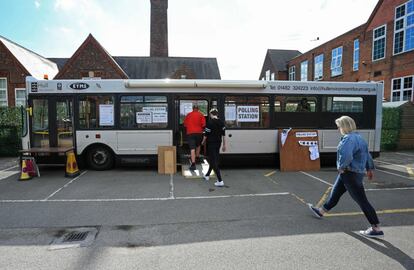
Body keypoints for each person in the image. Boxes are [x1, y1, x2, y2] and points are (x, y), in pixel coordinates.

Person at [307, 115, 384, 238]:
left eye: (338, 127)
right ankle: (321, 211)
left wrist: (341, 167)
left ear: (344, 126)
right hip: (354, 173)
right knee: (335, 192)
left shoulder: (348, 139)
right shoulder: (359, 138)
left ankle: (376, 228)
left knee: (362, 201)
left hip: (349, 173)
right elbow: (367, 154)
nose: (338, 129)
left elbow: (346, 156)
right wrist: (369, 169)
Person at [201, 108, 226, 187]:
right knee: (213, 159)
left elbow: (206, 135)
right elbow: (224, 135)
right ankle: (207, 175)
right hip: (218, 143)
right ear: (217, 114)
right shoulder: (222, 123)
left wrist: (202, 142)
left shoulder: (210, 123)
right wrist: (225, 145)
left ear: (211, 114)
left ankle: (220, 180)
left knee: (214, 161)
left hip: (211, 143)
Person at [184, 104, 206, 170]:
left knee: (192, 148)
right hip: (199, 133)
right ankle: (197, 157)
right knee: (198, 145)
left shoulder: (188, 115)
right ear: (198, 109)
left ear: (192, 108)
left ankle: (193, 164)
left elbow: (185, 125)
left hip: (190, 133)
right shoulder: (201, 115)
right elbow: (203, 125)